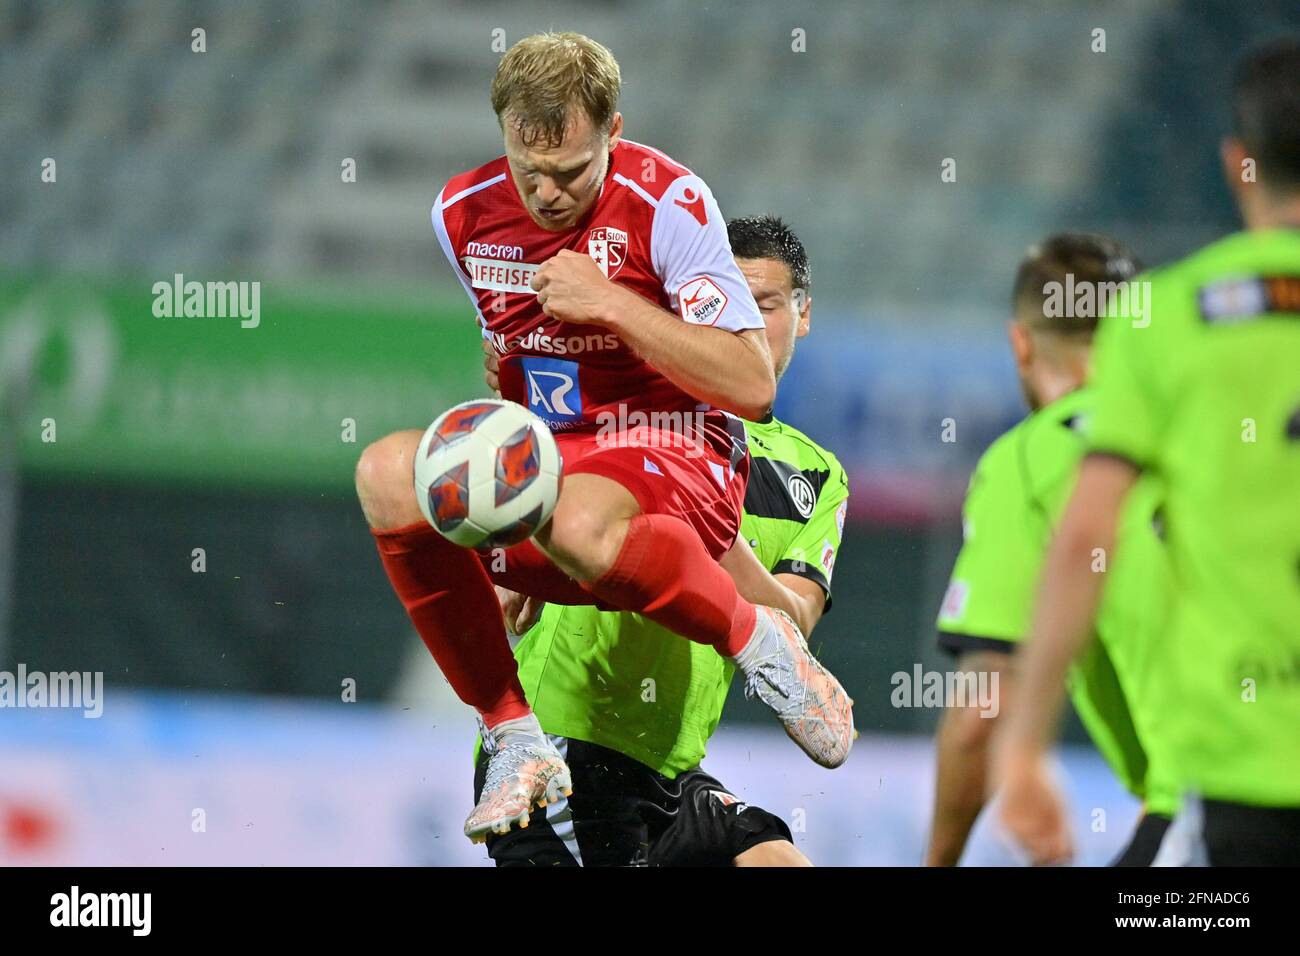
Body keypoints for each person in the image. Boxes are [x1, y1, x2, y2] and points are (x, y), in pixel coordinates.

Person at [353, 33, 853, 843]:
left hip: (682, 447)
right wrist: (497, 511)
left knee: (578, 521)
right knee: (385, 471)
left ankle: (761, 640)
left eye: (573, 172)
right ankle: (514, 735)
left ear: (614, 131)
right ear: (504, 136)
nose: (548, 195)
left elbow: (752, 387)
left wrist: (612, 302)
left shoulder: (671, 203)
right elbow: (517, 363)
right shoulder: (459, 216)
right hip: (563, 454)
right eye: (529, 172)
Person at [996, 38, 1300, 866]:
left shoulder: (1165, 318)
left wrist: (1022, 746)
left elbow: (1089, 536)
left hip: (1243, 770)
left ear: (1240, 163)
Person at [477, 215, 848, 866]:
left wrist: (710, 530)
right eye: (725, 304)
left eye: (766, 305)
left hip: (670, 768)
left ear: (804, 313)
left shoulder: (816, 473)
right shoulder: (636, 411)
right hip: (567, 741)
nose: (750, 326)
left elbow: (791, 625)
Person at [926, 233, 1177, 867]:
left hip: (1221, 797)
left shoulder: (1031, 459)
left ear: (1021, 343)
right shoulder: (1215, 434)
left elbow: (984, 709)